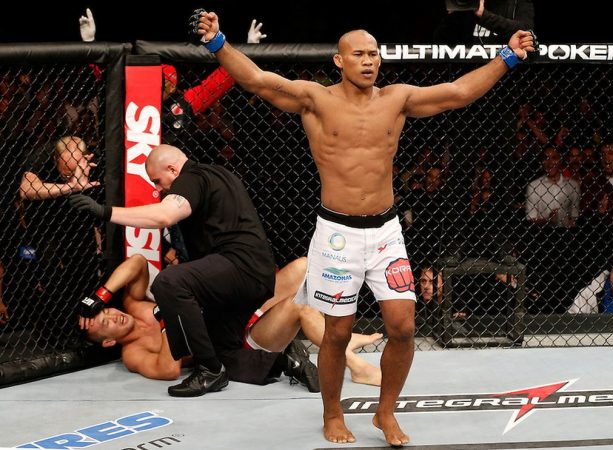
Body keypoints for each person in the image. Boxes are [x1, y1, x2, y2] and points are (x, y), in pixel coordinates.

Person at [189, 9, 535, 446]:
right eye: (359, 54)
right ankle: (333, 414)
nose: (369, 61)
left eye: (374, 54)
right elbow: (258, 80)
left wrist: (508, 56)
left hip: (386, 232)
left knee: (403, 327)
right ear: (339, 60)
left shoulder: (397, 98)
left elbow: (458, 92)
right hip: (337, 235)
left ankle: (384, 412)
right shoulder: (315, 99)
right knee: (336, 332)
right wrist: (217, 42)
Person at [69, 144, 277, 397]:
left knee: (169, 282)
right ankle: (284, 362)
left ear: (173, 169)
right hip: (250, 272)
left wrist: (105, 212)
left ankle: (210, 372)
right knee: (223, 351)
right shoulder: (219, 173)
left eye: (157, 181)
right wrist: (101, 296)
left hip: (239, 265)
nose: (158, 189)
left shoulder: (191, 178)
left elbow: (164, 216)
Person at [81, 254, 382, 387]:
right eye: (105, 323)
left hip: (234, 313)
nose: (113, 316)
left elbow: (136, 262)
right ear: (109, 342)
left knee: (302, 267)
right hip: (237, 341)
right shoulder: (133, 353)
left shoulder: (134, 304)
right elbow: (169, 370)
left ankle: (340, 338)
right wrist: (166, 320)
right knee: (299, 308)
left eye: (106, 311)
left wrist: (100, 296)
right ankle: (356, 368)